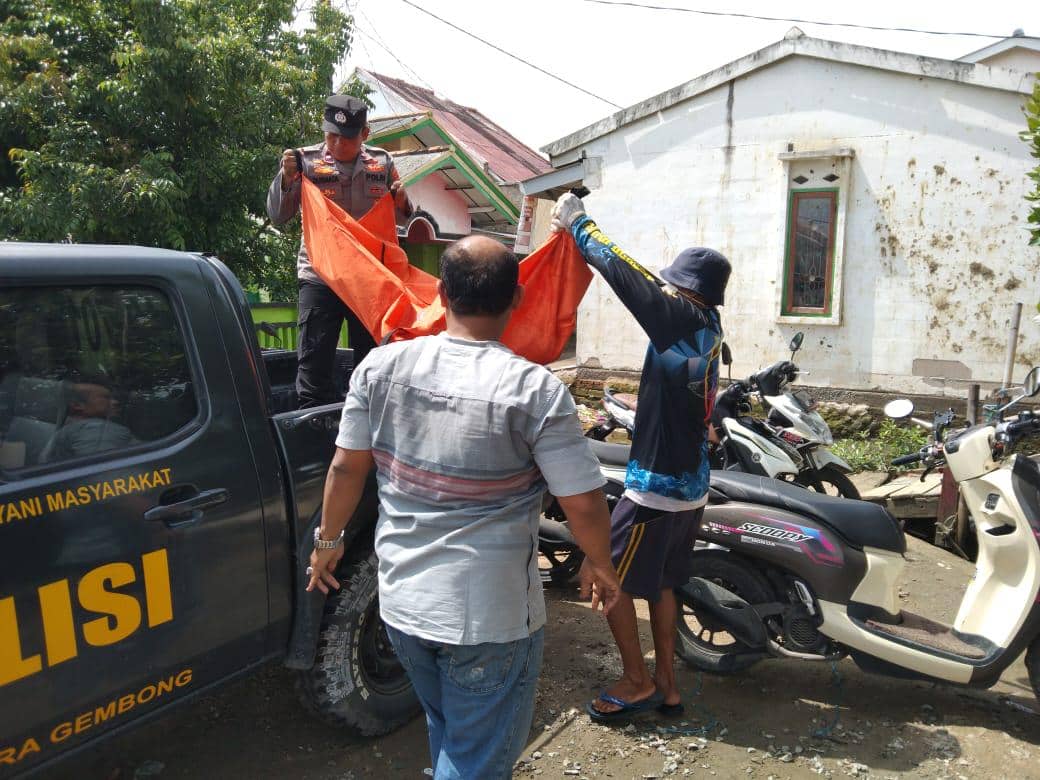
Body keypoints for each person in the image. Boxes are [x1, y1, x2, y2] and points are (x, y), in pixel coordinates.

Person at [306, 235, 622, 779]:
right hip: (490, 620)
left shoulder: (379, 369)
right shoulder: (535, 390)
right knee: (476, 759)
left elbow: (345, 469)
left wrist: (328, 545)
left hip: (403, 604)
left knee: (448, 728)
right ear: (516, 299)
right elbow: (583, 502)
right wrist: (600, 564)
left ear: (441, 293)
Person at [550, 193, 731, 724]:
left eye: (673, 285)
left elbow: (626, 276)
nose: (666, 289)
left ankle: (635, 679)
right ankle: (668, 686)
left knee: (606, 579)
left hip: (655, 488)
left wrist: (581, 226)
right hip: (691, 488)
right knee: (662, 586)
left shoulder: (677, 317)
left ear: (684, 291)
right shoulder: (711, 328)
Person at [267, 94, 413, 408]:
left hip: (368, 280)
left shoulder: (383, 163)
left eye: (345, 138)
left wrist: (403, 202)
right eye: (330, 134)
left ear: (364, 135)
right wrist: (286, 178)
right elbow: (278, 216)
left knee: (372, 366)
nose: (336, 143)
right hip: (320, 276)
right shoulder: (303, 161)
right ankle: (315, 435)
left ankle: (366, 436)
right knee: (313, 367)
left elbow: (401, 218)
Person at [43, 378, 137, 462]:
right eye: (105, 397)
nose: (115, 402)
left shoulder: (66, 432)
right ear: (77, 405)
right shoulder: (95, 429)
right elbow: (103, 471)